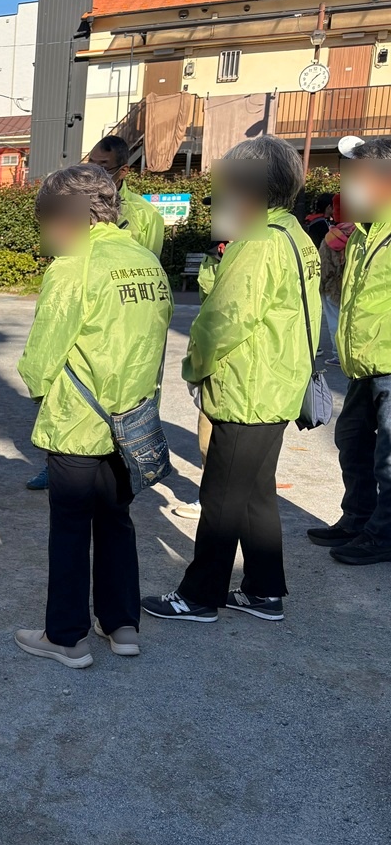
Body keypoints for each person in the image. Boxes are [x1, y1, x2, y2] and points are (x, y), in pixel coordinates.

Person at [143, 135, 320, 624]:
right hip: (277, 384)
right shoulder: (292, 234)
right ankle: (264, 589)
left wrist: (194, 369)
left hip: (249, 388)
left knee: (221, 497)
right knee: (256, 494)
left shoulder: (258, 242)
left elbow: (224, 319)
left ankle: (200, 595)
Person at [15, 164, 172, 668]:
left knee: (69, 529)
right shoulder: (146, 260)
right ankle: (122, 623)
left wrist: (38, 387)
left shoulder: (73, 266)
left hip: (78, 421)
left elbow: (41, 361)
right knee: (116, 521)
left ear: (64, 218)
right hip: (133, 419)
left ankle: (65, 637)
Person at [307, 136, 391, 566]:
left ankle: (383, 534)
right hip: (365, 362)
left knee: (388, 458)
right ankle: (357, 517)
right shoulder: (361, 231)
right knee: (351, 439)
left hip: (389, 363)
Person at [172, 238, 228, 521]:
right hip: (210, 349)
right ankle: (211, 496)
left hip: (234, 355)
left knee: (231, 438)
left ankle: (218, 501)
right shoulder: (213, 252)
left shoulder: (256, 248)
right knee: (207, 436)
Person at [88, 135, 165, 257]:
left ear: (123, 171)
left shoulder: (147, 214)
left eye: (103, 167)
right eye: (90, 165)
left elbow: (151, 264)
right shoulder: (73, 204)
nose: (93, 173)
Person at [318, 192, 353, 367]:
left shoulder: (332, 236)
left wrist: (321, 285)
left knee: (334, 322)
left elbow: (324, 266)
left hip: (332, 287)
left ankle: (337, 355)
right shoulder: (359, 234)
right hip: (351, 286)